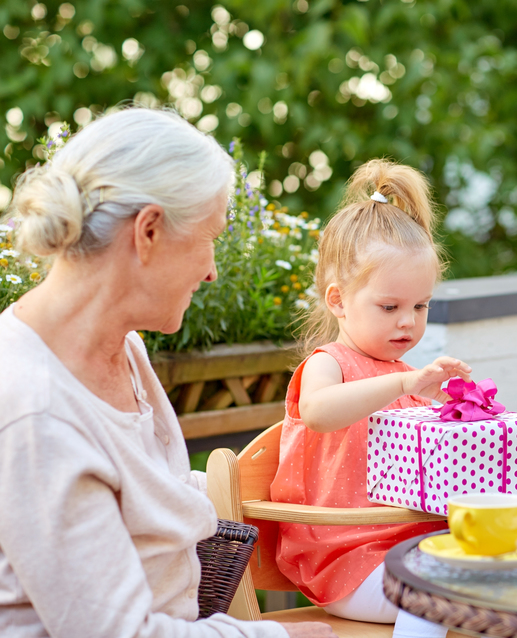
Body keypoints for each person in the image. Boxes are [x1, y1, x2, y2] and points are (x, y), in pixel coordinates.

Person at [0, 108, 335, 638]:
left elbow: (151, 498)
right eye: (210, 239)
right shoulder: (35, 411)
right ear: (149, 231)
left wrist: (299, 488)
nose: (212, 270)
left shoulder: (123, 348)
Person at [270, 159, 471, 638]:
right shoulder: (329, 363)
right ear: (338, 300)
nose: (408, 321)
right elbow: (319, 413)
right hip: (346, 560)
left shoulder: (403, 375)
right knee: (437, 593)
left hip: (407, 550)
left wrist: (459, 410)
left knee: (501, 571)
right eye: (390, 307)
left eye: (420, 306)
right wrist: (404, 386)